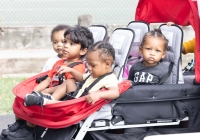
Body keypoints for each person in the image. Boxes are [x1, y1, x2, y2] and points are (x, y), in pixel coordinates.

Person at [3, 26, 94, 140]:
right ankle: (21, 125)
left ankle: (29, 130)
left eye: (71, 44)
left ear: (83, 51)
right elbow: (48, 80)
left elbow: (68, 87)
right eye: (65, 41)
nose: (65, 45)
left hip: (59, 101)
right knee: (21, 98)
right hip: (48, 93)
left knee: (34, 105)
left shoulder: (78, 67)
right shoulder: (59, 62)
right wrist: (34, 91)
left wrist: (46, 92)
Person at [24, 41, 119, 106]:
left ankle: (43, 101)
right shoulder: (95, 74)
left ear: (107, 63)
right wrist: (71, 71)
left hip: (80, 105)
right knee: (69, 82)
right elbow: (82, 78)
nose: (89, 68)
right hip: (77, 97)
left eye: (93, 66)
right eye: (88, 65)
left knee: (63, 105)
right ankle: (52, 98)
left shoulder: (109, 79)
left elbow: (115, 92)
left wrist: (99, 95)